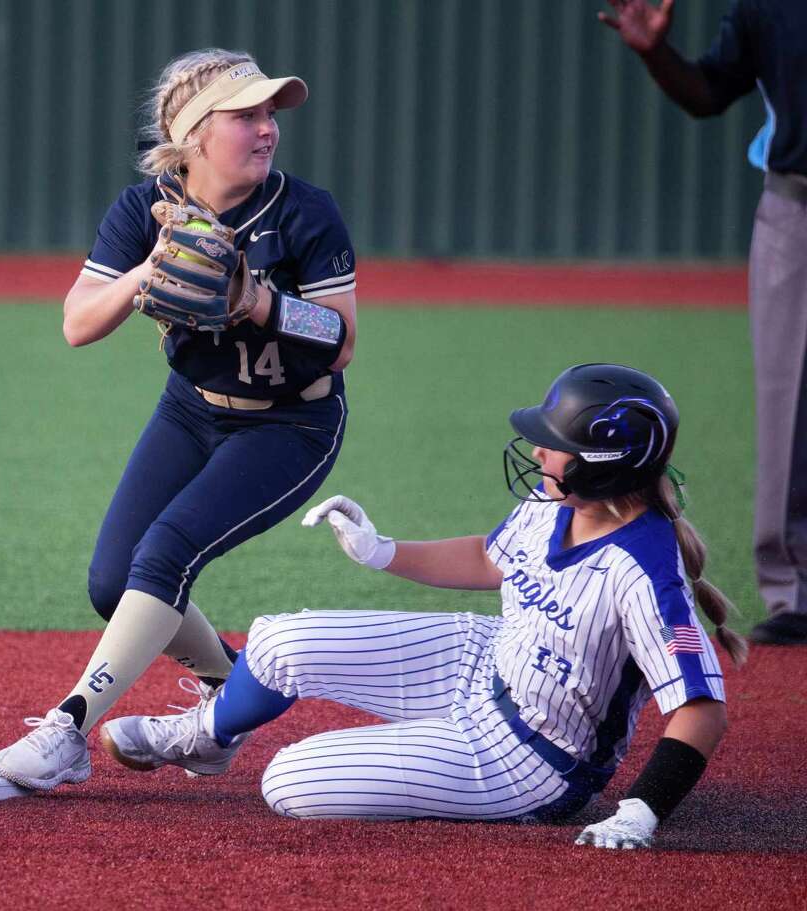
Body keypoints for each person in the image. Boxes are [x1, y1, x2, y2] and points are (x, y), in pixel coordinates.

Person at [101, 363, 748, 849]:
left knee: (290, 781)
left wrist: (643, 807)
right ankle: (204, 739)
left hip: (533, 756)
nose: (538, 451)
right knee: (275, 641)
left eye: (555, 442)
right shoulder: (559, 502)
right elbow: (491, 557)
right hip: (485, 660)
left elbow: (702, 710)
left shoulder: (645, 571)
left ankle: (458, 775)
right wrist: (382, 550)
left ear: (604, 462)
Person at [0, 49, 358, 789]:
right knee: (111, 581)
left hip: (291, 425)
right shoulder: (144, 209)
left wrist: (260, 303)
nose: (267, 129)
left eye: (269, 114)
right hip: (191, 413)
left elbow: (343, 341)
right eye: (246, 115)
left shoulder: (303, 211)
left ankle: (67, 729)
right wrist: (144, 272)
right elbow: (77, 323)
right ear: (192, 132)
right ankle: (230, 698)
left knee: (163, 553)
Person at [599, 0, 807, 645]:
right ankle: (795, 588)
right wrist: (655, 52)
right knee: (788, 398)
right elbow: (710, 92)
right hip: (798, 204)